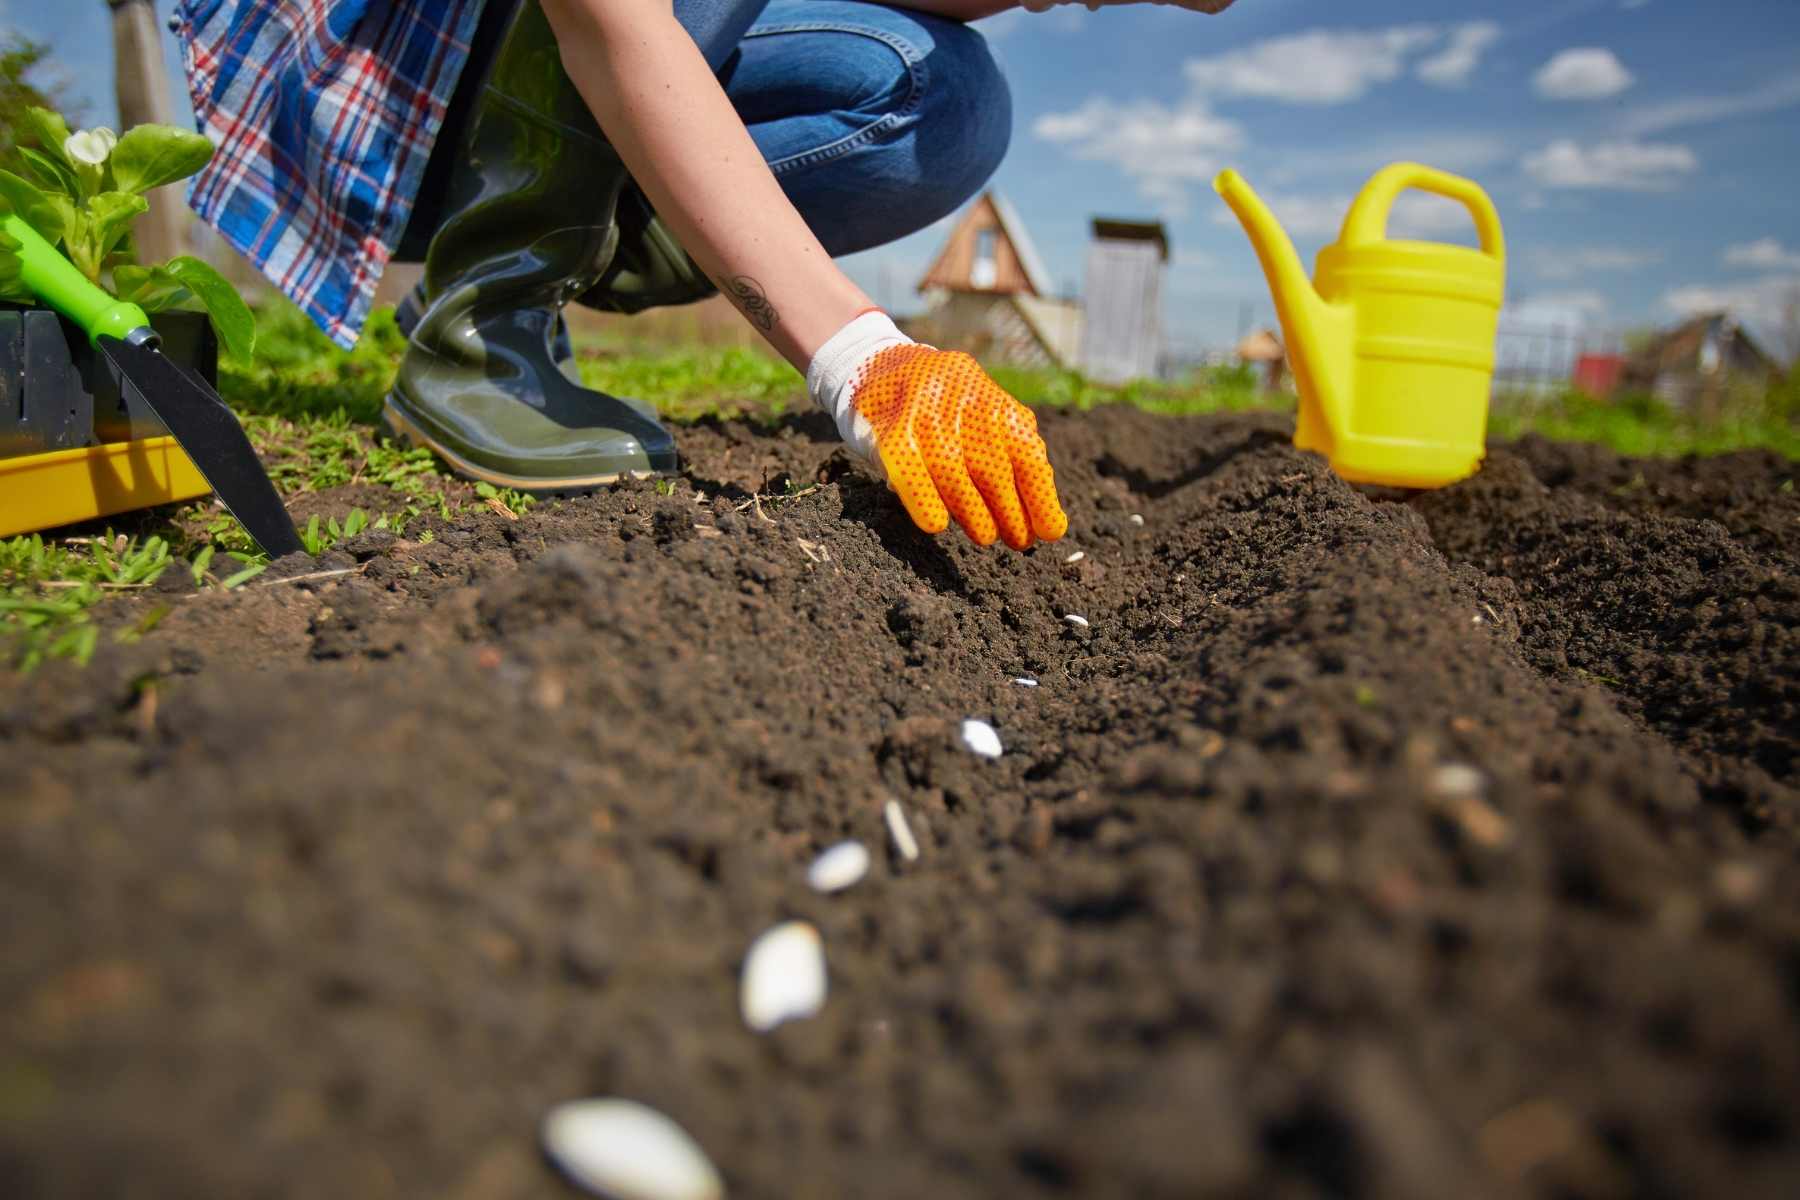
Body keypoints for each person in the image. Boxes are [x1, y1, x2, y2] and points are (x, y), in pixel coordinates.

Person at [173, 0, 1238, 551]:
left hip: (532, 81)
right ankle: (479, 325)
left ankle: (542, 260)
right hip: (389, 87)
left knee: (944, 102)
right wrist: (858, 352)